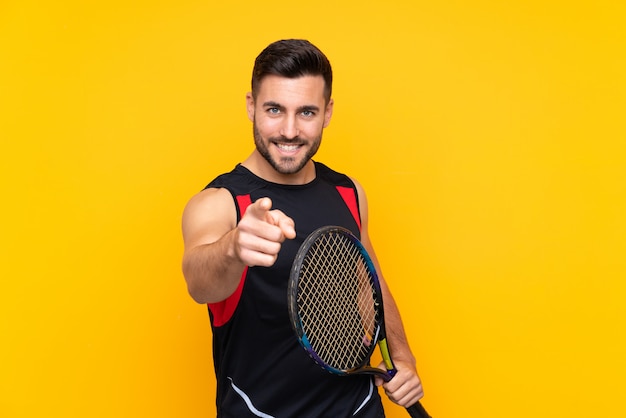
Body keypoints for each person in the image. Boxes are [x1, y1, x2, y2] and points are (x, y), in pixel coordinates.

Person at [182, 39, 424, 417]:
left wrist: (403, 357)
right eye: (274, 110)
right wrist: (232, 248)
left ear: (327, 112)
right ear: (251, 106)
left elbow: (369, 283)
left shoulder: (348, 191)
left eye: (307, 112)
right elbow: (199, 283)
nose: (290, 131)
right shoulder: (220, 202)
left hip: (358, 406)